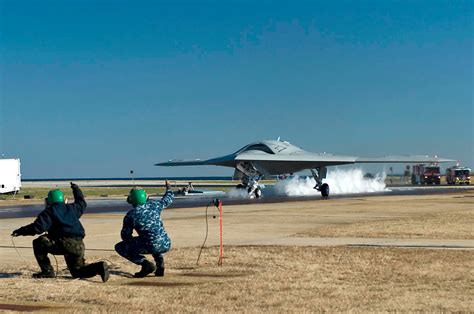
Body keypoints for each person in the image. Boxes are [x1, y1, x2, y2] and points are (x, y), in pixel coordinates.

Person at [11, 182, 109, 282]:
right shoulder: (72, 208)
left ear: (48, 201)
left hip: (64, 244)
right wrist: (76, 189)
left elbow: (38, 228)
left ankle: (47, 271)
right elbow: (81, 202)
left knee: (38, 243)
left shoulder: (50, 211)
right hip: (79, 245)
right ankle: (98, 267)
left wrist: (21, 231)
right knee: (77, 272)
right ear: (63, 199)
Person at [115, 181, 174, 278]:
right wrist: (169, 188)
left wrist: (134, 239)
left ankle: (145, 264)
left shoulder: (131, 215)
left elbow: (125, 236)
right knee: (152, 238)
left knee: (120, 247)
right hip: (165, 243)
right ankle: (160, 266)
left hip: (150, 245)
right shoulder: (155, 205)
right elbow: (167, 199)